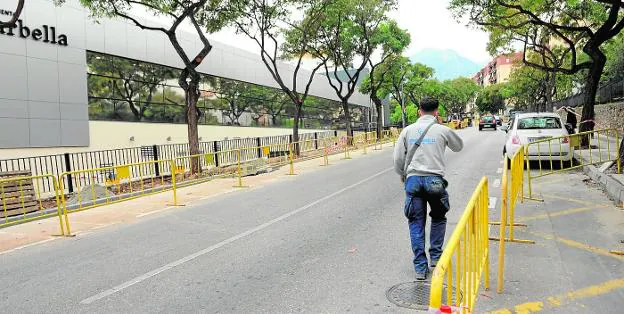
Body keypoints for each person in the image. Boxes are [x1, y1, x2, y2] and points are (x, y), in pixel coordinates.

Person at [392, 97, 464, 280]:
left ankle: (420, 267)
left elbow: (398, 159)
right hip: (435, 181)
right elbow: (458, 146)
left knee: (416, 223)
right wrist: (442, 126)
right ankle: (436, 258)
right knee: (439, 218)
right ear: (436, 111)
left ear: (419, 111)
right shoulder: (442, 130)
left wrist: (403, 174)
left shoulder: (407, 131)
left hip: (414, 179)